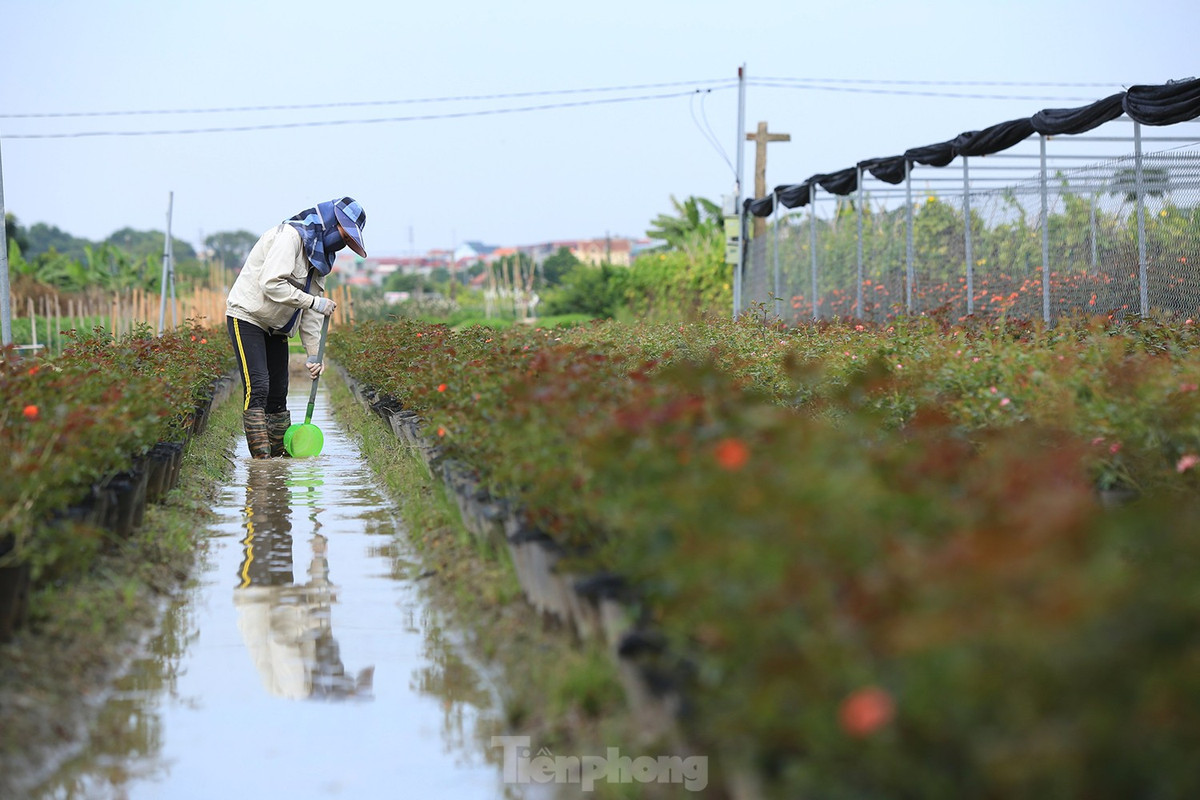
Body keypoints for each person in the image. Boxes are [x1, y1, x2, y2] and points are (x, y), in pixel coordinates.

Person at [226, 197, 367, 458]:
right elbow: (272, 284)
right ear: (330, 223)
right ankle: (261, 463)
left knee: (279, 393)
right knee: (258, 387)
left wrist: (314, 355)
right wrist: (314, 301)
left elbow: (313, 313)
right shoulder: (290, 237)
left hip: (277, 326)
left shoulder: (321, 258)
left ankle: (280, 458)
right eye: (344, 235)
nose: (343, 243)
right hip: (248, 316)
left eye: (348, 242)